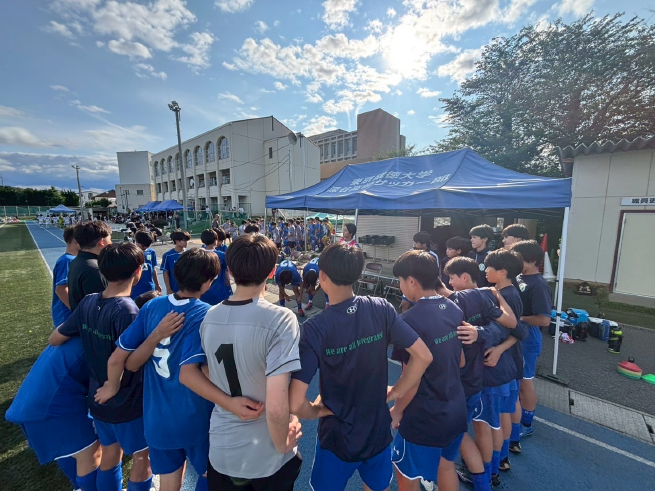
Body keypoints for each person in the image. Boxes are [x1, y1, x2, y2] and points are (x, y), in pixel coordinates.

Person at [289, 243, 433, 491]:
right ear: (357, 273)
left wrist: (314, 411)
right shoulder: (381, 308)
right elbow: (423, 356)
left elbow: (294, 401)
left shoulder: (314, 329)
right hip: (377, 431)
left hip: (337, 436)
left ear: (322, 276)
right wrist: (395, 391)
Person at [180, 234, 303, 490]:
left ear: (231, 271)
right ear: (272, 272)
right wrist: (283, 444)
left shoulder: (209, 317)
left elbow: (203, 371)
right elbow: (277, 406)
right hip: (266, 453)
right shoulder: (281, 319)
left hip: (222, 447)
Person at [95, 249, 221, 491]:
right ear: (208, 282)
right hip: (195, 416)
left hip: (157, 419)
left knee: (169, 483)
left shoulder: (152, 306)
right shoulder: (206, 313)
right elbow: (205, 371)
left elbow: (130, 363)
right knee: (211, 475)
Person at [49, 243, 152, 491]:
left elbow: (55, 338)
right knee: (142, 458)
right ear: (138, 271)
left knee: (110, 454)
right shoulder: (128, 311)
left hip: (97, 397)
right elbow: (129, 361)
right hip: (126, 400)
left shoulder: (88, 301)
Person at [389, 251, 468, 491]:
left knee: (406, 475)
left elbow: (411, 380)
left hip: (425, 417)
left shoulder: (407, 322)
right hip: (456, 408)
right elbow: (461, 361)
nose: (401, 286)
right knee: (446, 467)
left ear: (411, 281)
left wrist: (397, 410)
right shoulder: (453, 308)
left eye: (400, 281)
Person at [5, 337, 101, 491]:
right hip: (53, 405)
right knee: (92, 453)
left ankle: (80, 487)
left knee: (69, 450)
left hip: (33, 399)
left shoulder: (80, 328)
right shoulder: (105, 336)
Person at [473, 249, 525, 487]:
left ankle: (492, 467)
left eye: (488, 268)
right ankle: (500, 460)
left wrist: (499, 349)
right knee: (500, 415)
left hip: (501, 365)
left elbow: (517, 330)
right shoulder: (503, 292)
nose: (485, 271)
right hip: (507, 365)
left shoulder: (506, 296)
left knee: (492, 420)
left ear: (502, 272)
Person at [508, 240, 552, 451]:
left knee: (525, 382)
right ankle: (515, 419)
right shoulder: (518, 277)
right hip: (516, 335)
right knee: (515, 380)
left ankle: (526, 424)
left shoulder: (539, 284)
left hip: (528, 338)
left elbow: (544, 320)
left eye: (518, 257)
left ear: (532, 260)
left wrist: (519, 318)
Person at [68, 220, 112, 311]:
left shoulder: (77, 261)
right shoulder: (94, 269)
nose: (111, 243)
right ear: (101, 242)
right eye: (109, 239)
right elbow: (100, 308)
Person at [52, 225, 79, 328]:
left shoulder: (72, 259)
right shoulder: (67, 260)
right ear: (76, 241)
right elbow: (61, 289)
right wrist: (78, 312)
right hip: (66, 317)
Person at [199, 229, 233, 306]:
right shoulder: (221, 255)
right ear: (215, 241)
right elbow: (228, 268)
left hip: (203, 291)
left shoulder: (198, 254)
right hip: (219, 290)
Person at [131, 231, 162, 300]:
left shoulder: (151, 252)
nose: (145, 247)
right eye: (143, 246)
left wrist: (157, 284)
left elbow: (153, 269)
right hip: (135, 288)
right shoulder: (131, 253)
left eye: (147, 246)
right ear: (137, 241)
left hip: (149, 286)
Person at [161, 230, 190, 294]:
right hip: (175, 289)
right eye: (184, 240)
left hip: (189, 289)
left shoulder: (190, 253)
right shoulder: (168, 255)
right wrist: (168, 289)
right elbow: (165, 272)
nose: (186, 242)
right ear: (177, 241)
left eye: (187, 240)